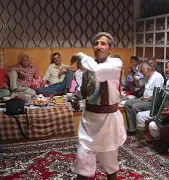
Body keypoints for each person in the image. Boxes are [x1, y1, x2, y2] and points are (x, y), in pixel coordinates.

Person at [71, 32, 126, 180]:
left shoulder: (115, 64)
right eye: (96, 44)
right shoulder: (88, 67)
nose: (98, 46)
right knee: (82, 162)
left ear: (110, 49)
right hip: (89, 121)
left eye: (103, 43)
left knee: (110, 166)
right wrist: (75, 97)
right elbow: (88, 88)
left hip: (108, 122)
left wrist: (81, 55)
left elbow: (98, 72)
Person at [133, 59, 169, 153]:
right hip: (161, 111)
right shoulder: (167, 81)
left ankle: (159, 147)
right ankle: (141, 141)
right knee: (140, 116)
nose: (167, 70)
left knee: (152, 125)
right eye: (166, 67)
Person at [124, 62, 164, 135]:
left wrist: (146, 100)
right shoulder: (148, 76)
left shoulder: (157, 77)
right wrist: (135, 78)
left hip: (152, 101)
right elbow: (139, 85)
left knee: (135, 106)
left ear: (148, 69)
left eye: (142, 71)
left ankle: (137, 129)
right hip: (144, 98)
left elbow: (157, 94)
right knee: (128, 103)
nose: (142, 73)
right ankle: (132, 128)